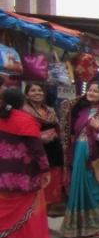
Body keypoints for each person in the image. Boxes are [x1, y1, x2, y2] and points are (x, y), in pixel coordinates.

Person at [60, 80, 99, 238]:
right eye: (90, 90)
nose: (92, 93)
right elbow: (65, 111)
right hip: (78, 151)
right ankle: (78, 225)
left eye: (96, 91)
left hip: (97, 154)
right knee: (79, 183)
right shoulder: (80, 110)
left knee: (96, 186)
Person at [0, 87, 51, 238]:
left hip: (3, 172)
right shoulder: (26, 120)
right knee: (28, 203)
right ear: (22, 102)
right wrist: (45, 169)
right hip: (24, 172)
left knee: (4, 204)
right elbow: (37, 150)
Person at [23, 81, 64, 215]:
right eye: (33, 91)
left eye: (39, 90)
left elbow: (58, 128)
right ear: (27, 94)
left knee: (52, 183)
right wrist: (40, 136)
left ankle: (44, 216)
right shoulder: (23, 110)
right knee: (37, 184)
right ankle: (33, 217)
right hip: (34, 151)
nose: (37, 93)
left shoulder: (50, 110)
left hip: (53, 150)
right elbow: (22, 131)